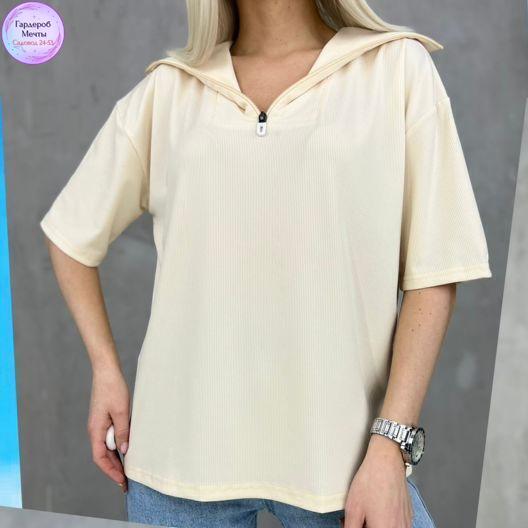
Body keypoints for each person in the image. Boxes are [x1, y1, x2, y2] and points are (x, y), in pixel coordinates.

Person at [39, 1, 492, 527]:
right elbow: (70, 234)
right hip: (176, 469)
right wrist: (105, 370)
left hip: (346, 467)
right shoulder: (171, 90)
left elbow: (435, 271)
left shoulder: (396, 69)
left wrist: (391, 445)